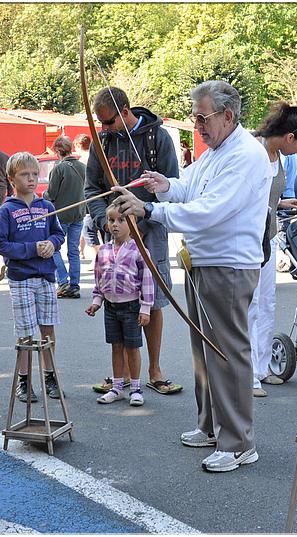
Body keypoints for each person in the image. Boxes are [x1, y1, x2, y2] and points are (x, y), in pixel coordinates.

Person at [113, 80, 270, 473]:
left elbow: (211, 210)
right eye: (195, 117)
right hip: (204, 261)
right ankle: (211, 425)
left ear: (228, 116)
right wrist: (163, 186)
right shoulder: (217, 150)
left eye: (203, 118)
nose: (197, 125)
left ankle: (238, 442)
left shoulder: (246, 154)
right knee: (204, 350)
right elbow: (191, 187)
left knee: (228, 353)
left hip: (229, 265)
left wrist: (150, 211)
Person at [84, 86, 182, 396]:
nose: (104, 129)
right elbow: (92, 190)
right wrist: (107, 221)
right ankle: (122, 374)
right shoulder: (102, 142)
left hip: (150, 230)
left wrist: (143, 213)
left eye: (109, 122)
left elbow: (171, 187)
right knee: (117, 298)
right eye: (100, 123)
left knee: (151, 300)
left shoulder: (157, 138)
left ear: (125, 112)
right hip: (115, 234)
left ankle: (153, 370)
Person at [248, 102, 297, 397]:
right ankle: (248, 373)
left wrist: (280, 205)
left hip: (268, 235)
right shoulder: (253, 151)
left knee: (267, 303)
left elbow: (268, 197)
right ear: (289, 137)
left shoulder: (279, 156)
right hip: (248, 240)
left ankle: (262, 368)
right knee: (249, 306)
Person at [0, 152, 66, 403]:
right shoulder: (7, 210)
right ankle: (24, 381)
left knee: (48, 329)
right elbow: (0, 244)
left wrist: (51, 244)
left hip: (45, 276)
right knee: (25, 332)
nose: (32, 179)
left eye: (35, 174)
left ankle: (50, 376)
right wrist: (30, 249)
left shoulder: (46, 206)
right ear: (12, 178)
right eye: (25, 175)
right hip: (21, 277)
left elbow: (58, 234)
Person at [85, 203, 154, 407]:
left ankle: (135, 388)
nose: (115, 225)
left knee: (132, 348)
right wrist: (96, 302)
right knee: (116, 347)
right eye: (111, 220)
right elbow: (99, 280)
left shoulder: (139, 250)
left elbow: (147, 280)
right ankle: (117, 387)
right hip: (111, 307)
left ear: (132, 222)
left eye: (121, 220)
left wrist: (145, 308)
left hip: (132, 306)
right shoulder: (103, 251)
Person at [43, 136, 86, 299]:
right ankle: (74, 285)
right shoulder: (83, 167)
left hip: (61, 215)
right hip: (79, 214)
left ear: (58, 150)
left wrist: (42, 195)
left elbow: (51, 194)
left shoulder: (58, 169)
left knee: (53, 248)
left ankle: (63, 282)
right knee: (73, 251)